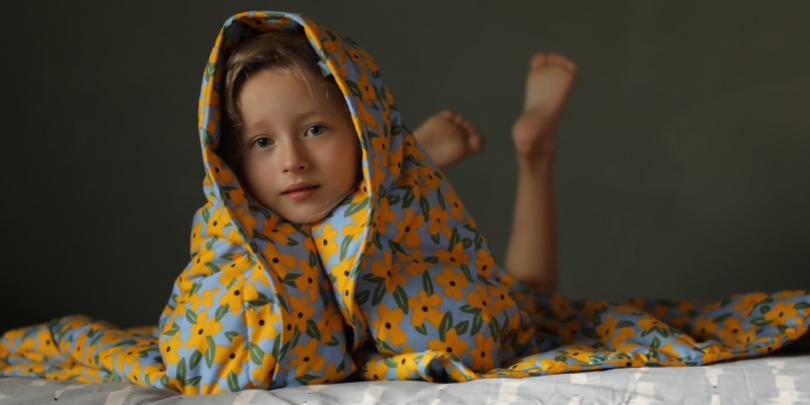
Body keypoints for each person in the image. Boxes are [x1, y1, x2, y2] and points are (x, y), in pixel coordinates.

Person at [1, 11, 806, 395]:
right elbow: (204, 356)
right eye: (261, 143)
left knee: (527, 307)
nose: (290, 162)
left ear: (357, 125)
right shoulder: (233, 231)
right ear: (227, 159)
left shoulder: (399, 217)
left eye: (316, 128)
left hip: (447, 284)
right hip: (383, 200)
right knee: (520, 290)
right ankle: (502, 149)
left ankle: (531, 152)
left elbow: (485, 335)